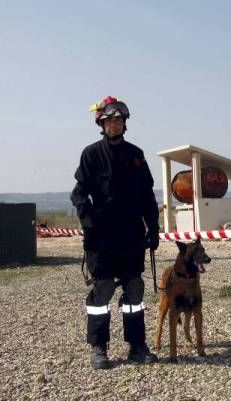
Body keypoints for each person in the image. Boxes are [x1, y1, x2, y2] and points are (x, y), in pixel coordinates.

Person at [71, 96, 160, 369]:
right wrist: (88, 225)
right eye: (110, 120)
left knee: (135, 290)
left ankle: (136, 345)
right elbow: (79, 194)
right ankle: (98, 347)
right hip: (102, 237)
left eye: (119, 120)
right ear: (101, 123)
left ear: (124, 124)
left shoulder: (136, 155)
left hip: (132, 234)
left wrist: (154, 227)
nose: (115, 124)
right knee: (103, 290)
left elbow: (146, 195)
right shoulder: (91, 154)